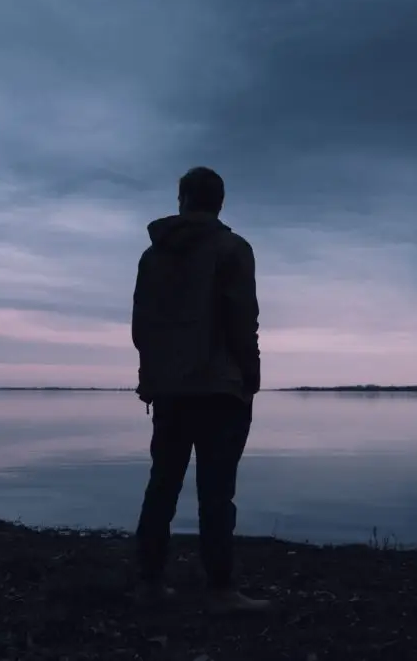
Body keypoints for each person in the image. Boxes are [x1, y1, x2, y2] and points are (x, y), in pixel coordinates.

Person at [131, 166, 269, 614]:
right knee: (216, 492)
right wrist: (251, 376)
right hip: (220, 389)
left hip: (169, 389)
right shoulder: (232, 248)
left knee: (162, 486)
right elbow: (241, 319)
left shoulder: (153, 257)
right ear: (219, 202)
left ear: (183, 199)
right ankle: (221, 590)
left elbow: (142, 327)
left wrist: (150, 377)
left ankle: (149, 583)